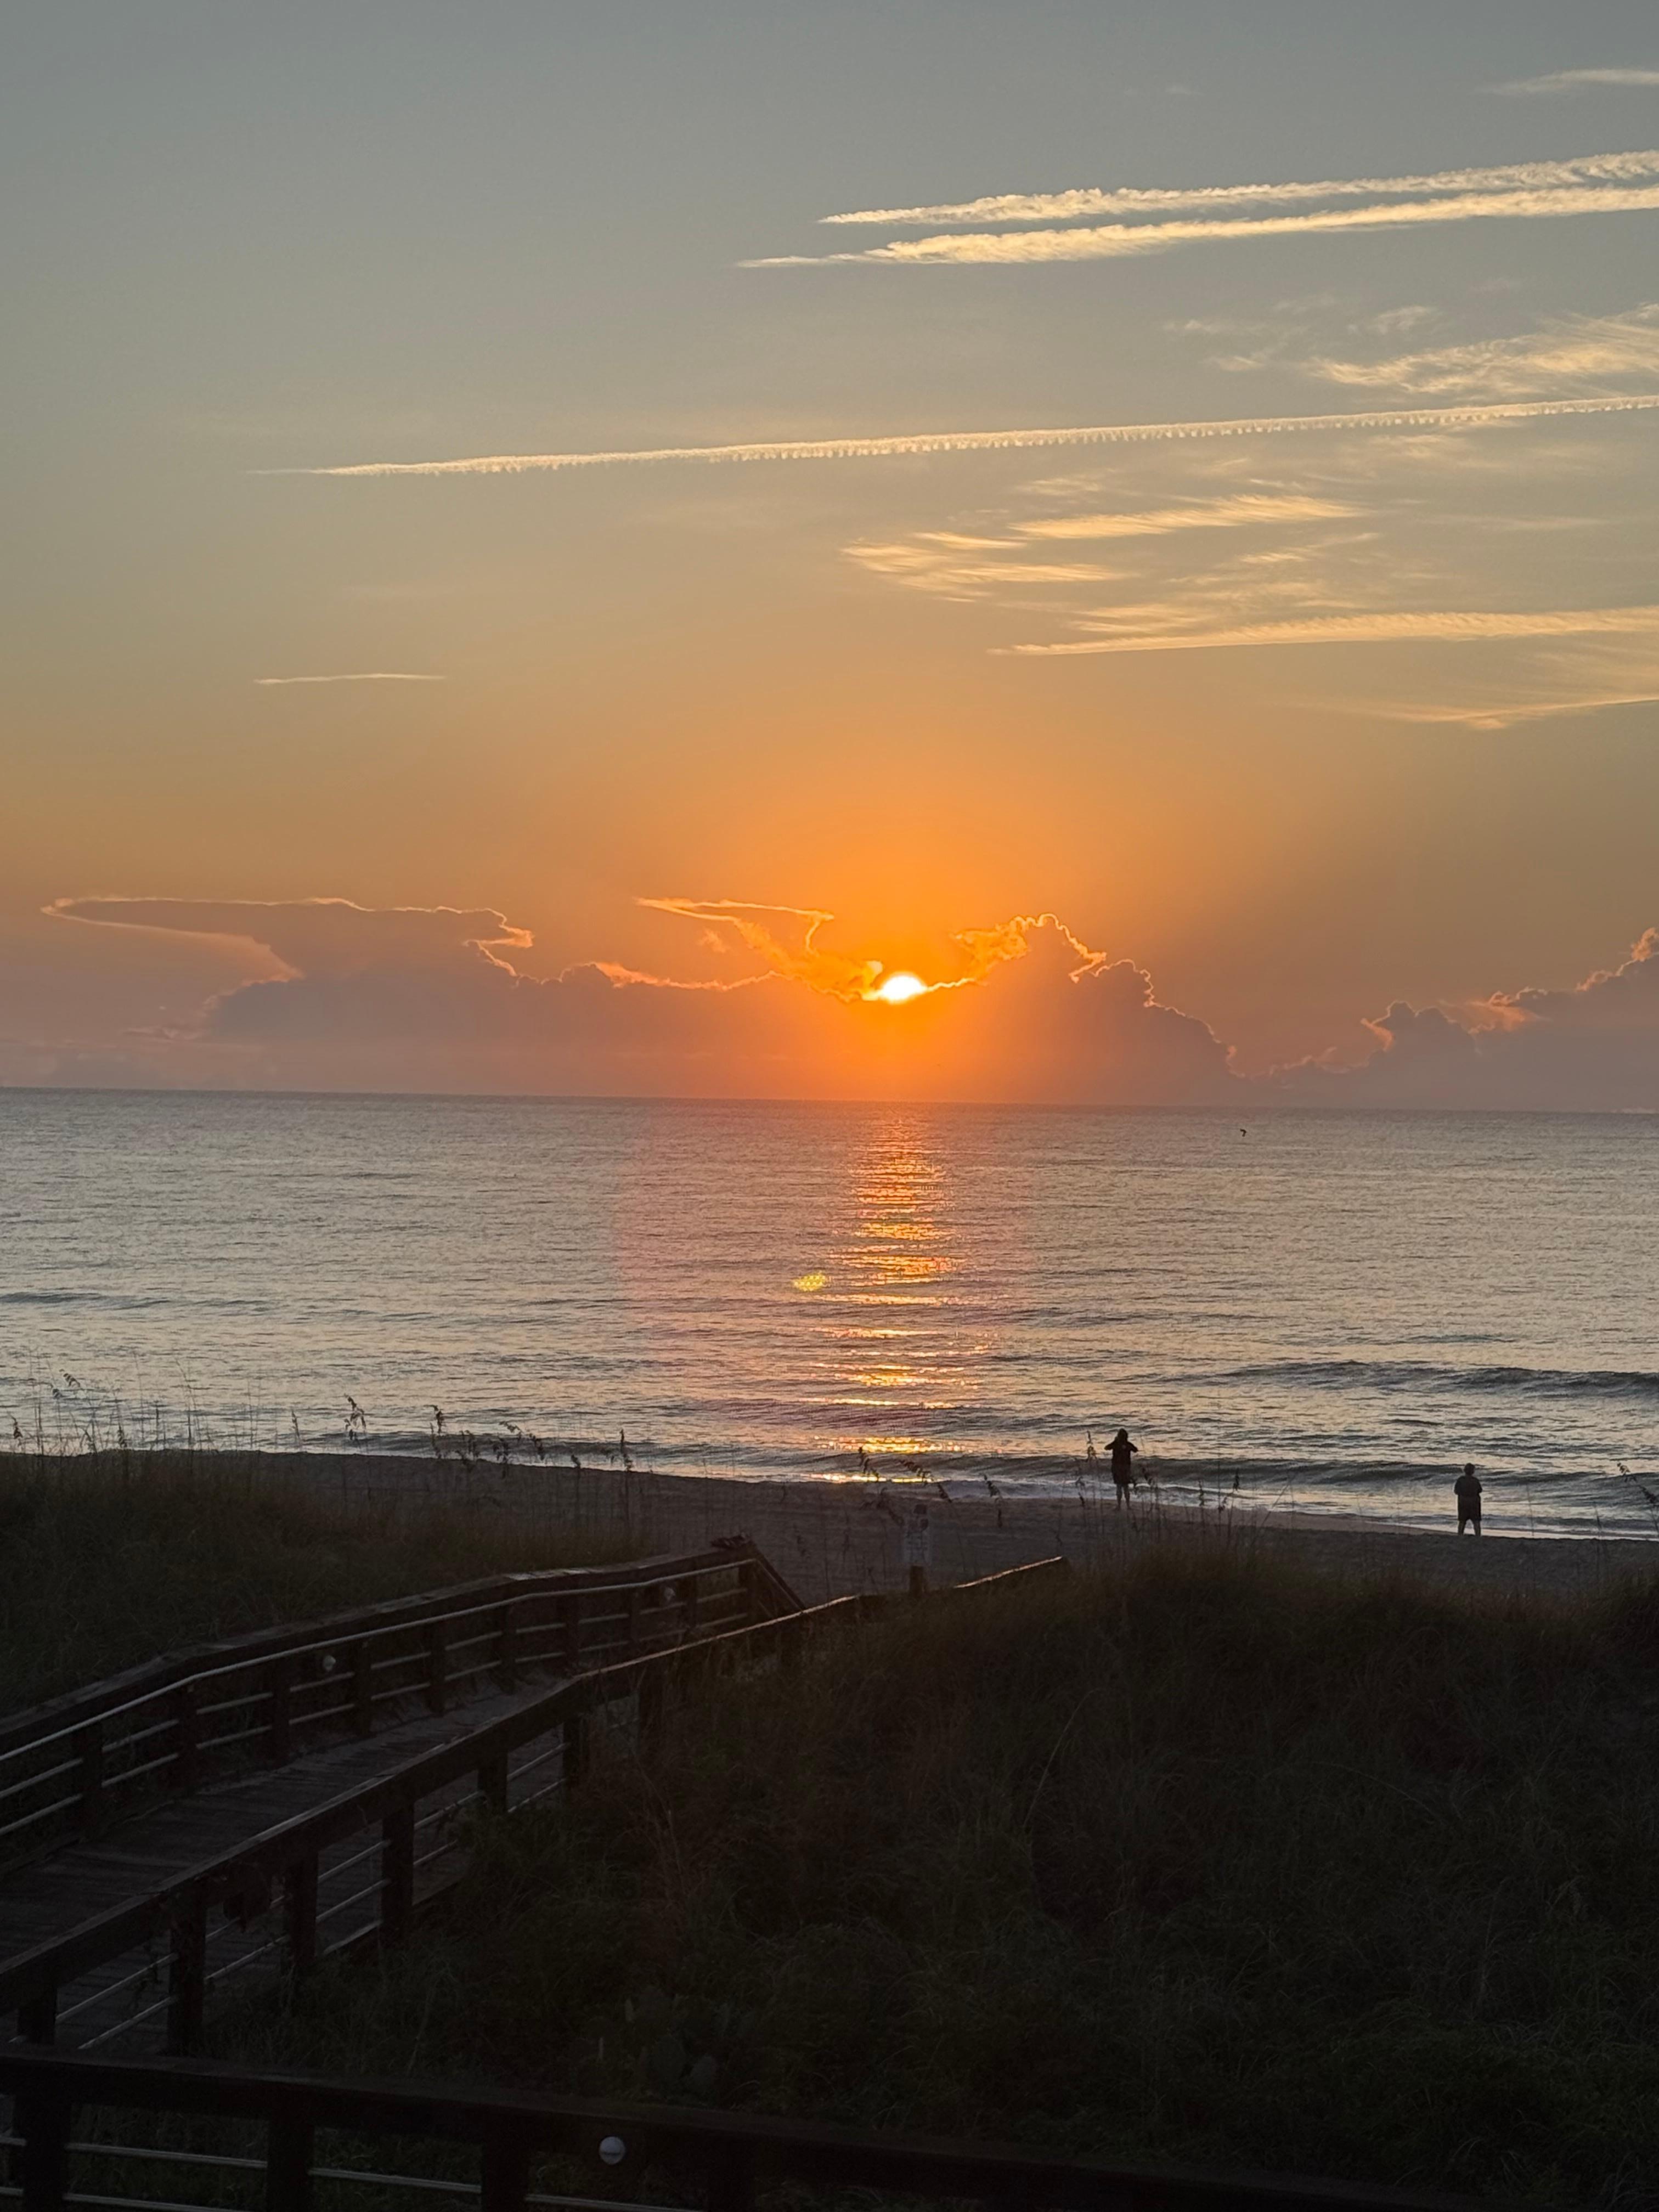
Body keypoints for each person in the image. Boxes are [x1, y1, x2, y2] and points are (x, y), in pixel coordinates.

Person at [1109, 1427, 1138, 1505]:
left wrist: (1115, 1441)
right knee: (1126, 1487)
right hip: (1126, 1468)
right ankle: (1128, 1505)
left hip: (1116, 1467)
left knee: (1119, 1486)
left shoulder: (1115, 1444)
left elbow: (1107, 1448)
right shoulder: (1128, 1444)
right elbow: (1136, 1450)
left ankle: (1119, 1505)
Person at [1454, 1463, 1482, 1536]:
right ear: (1473, 1471)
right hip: (1474, 1503)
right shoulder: (1475, 1481)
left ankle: (1460, 1535)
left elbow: (1456, 1491)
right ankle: (1478, 1536)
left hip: (1463, 1502)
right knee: (1476, 1521)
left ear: (1464, 1471)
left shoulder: (1461, 1480)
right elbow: (1480, 1490)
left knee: (1462, 1521)